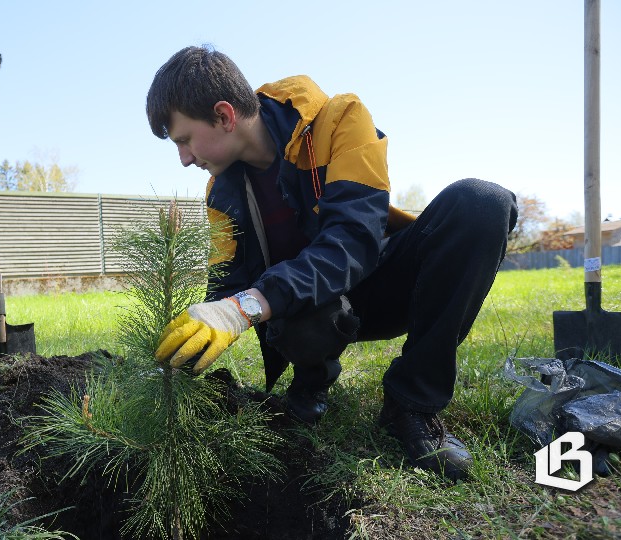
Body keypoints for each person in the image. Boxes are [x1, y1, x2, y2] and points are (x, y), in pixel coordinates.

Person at [146, 46, 518, 482]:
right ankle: (311, 383)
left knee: (482, 203)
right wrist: (174, 362)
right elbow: (227, 281)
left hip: (379, 284)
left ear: (224, 116)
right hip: (307, 313)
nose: (185, 158)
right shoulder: (222, 193)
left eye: (184, 140)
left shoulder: (339, 121)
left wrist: (243, 307)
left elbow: (354, 241)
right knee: (284, 300)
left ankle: (412, 404)